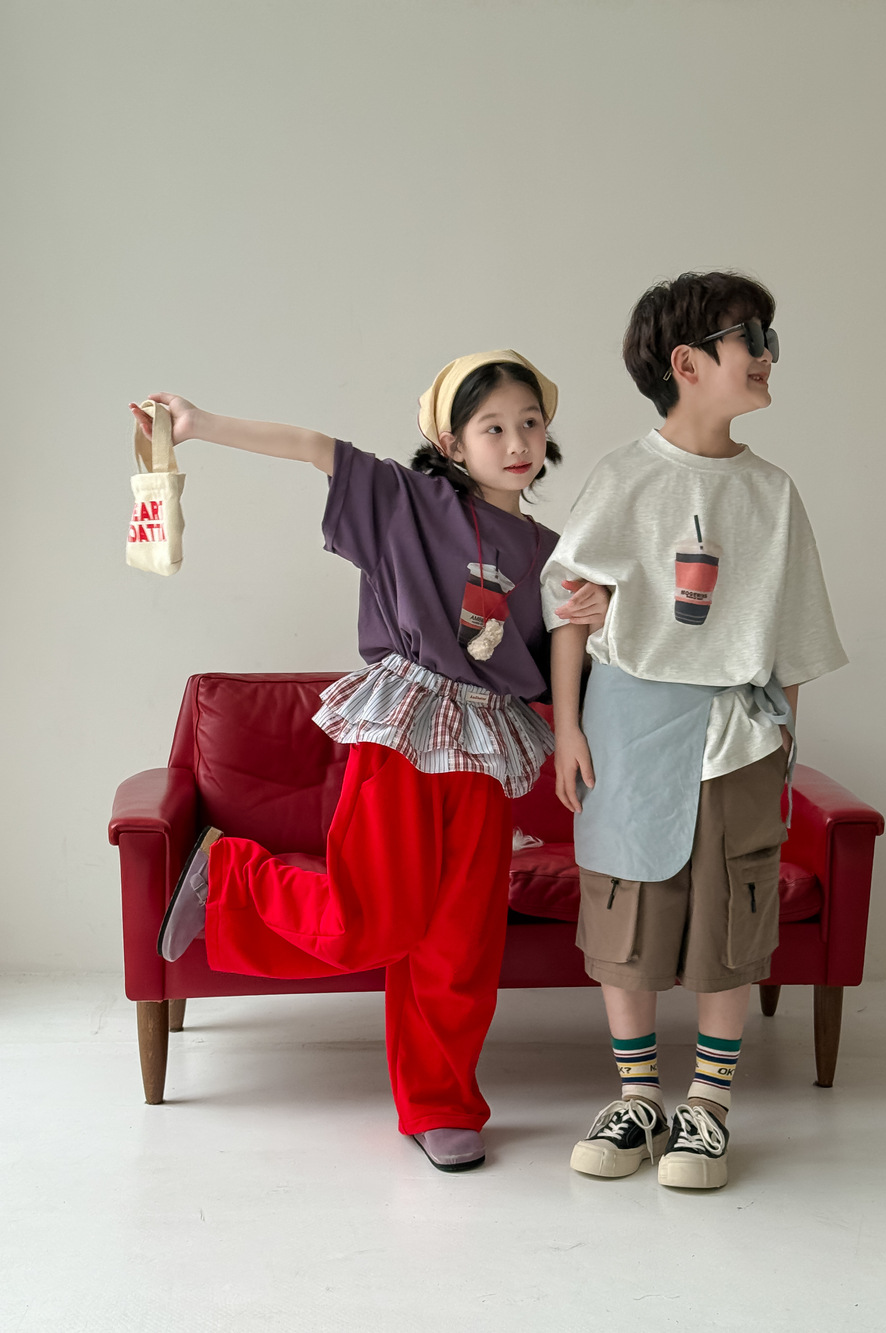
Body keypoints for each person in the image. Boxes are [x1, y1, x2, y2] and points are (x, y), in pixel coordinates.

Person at [128, 350, 608, 1173]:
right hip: (403, 731)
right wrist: (200, 424)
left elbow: (569, 657)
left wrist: (602, 612)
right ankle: (232, 875)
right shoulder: (408, 503)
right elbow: (316, 447)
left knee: (461, 945)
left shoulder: (554, 552)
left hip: (487, 747)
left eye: (530, 423)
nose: (517, 441)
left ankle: (441, 1104)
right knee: (369, 919)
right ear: (453, 444)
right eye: (493, 426)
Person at [540, 273, 848, 1189]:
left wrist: (785, 750)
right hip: (627, 725)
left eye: (769, 337)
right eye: (753, 337)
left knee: (732, 914)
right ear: (687, 362)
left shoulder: (772, 493)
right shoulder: (624, 477)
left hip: (739, 733)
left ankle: (708, 1107)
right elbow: (569, 608)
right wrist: (567, 729)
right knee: (625, 913)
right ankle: (638, 1099)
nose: (768, 355)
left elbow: (793, 638)